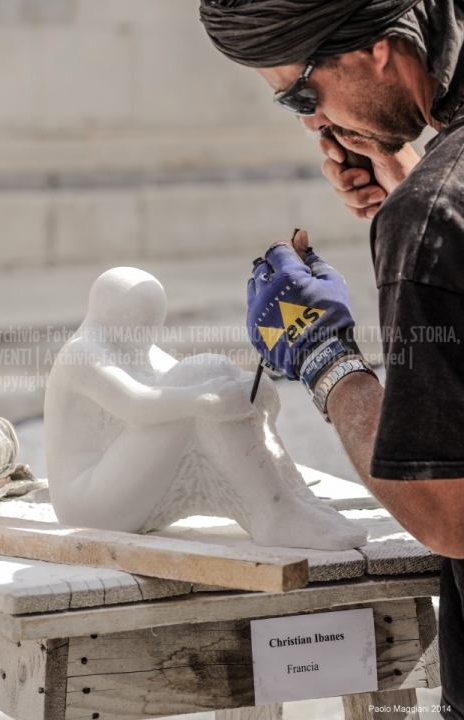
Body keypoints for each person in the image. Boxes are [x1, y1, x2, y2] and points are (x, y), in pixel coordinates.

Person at [200, 1, 464, 716]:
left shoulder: (434, 215)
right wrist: (412, 180)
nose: (312, 124)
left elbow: (448, 511)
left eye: (300, 94)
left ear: (376, 50)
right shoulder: (435, 204)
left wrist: (324, 360)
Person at [44, 266, 366, 551]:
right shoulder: (83, 355)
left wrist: (253, 390)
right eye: (140, 325)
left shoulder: (134, 345)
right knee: (201, 381)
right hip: (89, 504)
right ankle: (274, 512)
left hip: (122, 487)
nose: (147, 337)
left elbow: (202, 377)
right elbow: (138, 406)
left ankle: (289, 502)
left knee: (211, 370)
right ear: (111, 315)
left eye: (151, 326)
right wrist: (203, 400)